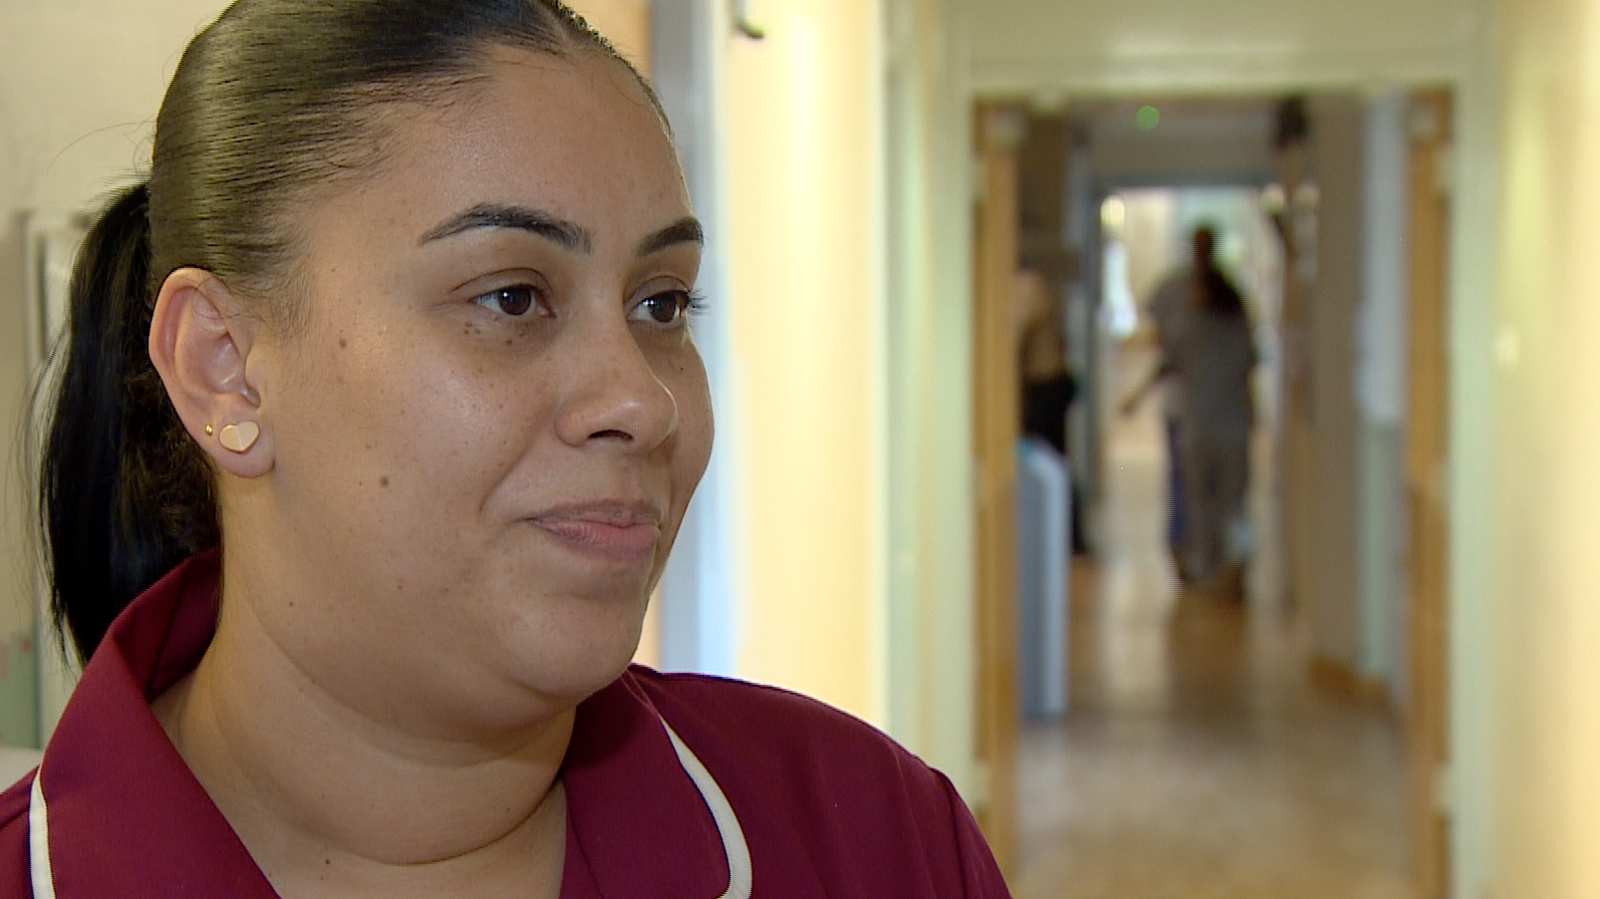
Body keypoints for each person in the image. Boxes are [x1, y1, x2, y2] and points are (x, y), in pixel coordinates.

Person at [0, 3, 1009, 896]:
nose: (640, 401)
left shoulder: (869, 835)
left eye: (661, 302)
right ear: (225, 368)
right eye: (511, 297)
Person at [1163, 231, 1258, 593]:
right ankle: (1236, 566)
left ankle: (1207, 566)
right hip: (1233, 426)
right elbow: (1249, 365)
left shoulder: (1188, 326)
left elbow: (1169, 360)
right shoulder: (1239, 325)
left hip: (1199, 428)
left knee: (1202, 503)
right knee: (1235, 503)